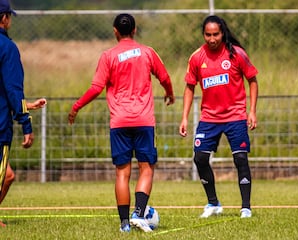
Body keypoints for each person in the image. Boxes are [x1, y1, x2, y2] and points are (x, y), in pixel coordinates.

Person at [68, 13, 174, 233]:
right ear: (134, 30)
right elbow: (164, 77)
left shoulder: (108, 56)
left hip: (119, 122)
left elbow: (96, 88)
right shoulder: (147, 52)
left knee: (122, 173)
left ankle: (125, 223)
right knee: (146, 168)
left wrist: (77, 106)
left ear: (115, 31)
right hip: (144, 121)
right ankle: (139, 213)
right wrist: (169, 94)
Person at [179, 15, 259, 219]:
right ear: (203, 34)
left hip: (235, 116)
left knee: (240, 158)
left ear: (222, 33)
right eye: (208, 35)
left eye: (216, 34)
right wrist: (184, 117)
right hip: (209, 118)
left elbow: (252, 80)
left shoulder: (237, 54)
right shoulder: (197, 57)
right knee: (200, 158)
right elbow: (189, 87)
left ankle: (246, 207)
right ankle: (213, 203)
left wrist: (252, 111)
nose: (212, 39)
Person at [0, 0, 47, 227]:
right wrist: (26, 124)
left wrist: (27, 106)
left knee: (7, 175)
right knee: (5, 176)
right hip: (0, 126)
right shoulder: (7, 48)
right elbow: (12, 89)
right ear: (4, 18)